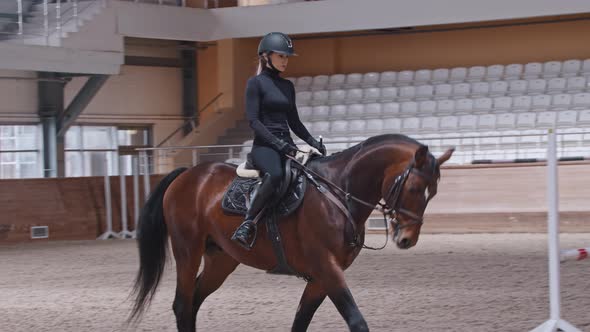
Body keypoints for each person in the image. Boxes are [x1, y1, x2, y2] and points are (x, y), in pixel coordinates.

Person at [231, 32, 326, 249]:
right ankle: (247, 224)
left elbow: (295, 122)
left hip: (286, 145)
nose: (285, 61)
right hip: (264, 147)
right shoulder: (255, 84)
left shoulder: (287, 86)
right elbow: (254, 121)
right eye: (281, 56)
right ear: (266, 56)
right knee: (276, 174)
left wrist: (313, 142)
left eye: (287, 57)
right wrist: (277, 143)